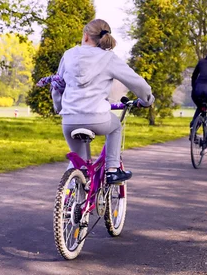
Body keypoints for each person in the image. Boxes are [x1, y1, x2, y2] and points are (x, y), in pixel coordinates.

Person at [52, 18, 155, 185]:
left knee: (79, 162)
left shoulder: (69, 55)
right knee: (116, 127)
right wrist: (147, 100)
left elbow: (57, 86)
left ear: (85, 36)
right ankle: (113, 170)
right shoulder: (108, 58)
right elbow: (137, 83)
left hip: (69, 120)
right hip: (97, 118)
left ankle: (68, 202)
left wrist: (59, 107)